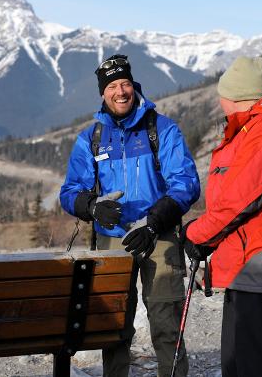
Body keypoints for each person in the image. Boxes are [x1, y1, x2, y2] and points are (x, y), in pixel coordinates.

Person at [59, 54, 200, 377]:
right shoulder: (91, 138)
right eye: (111, 86)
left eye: (124, 83)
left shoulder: (161, 129)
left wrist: (153, 222)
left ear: (134, 86)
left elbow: (186, 183)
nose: (120, 91)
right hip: (113, 240)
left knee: (166, 323)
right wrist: (92, 206)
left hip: (159, 236)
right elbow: (69, 192)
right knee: (115, 326)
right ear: (102, 93)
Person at [181, 56, 262, 377]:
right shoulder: (252, 131)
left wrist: (197, 235)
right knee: (237, 367)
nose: (219, 103)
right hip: (252, 271)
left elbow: (238, 201)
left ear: (236, 96)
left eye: (222, 96)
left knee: (257, 368)